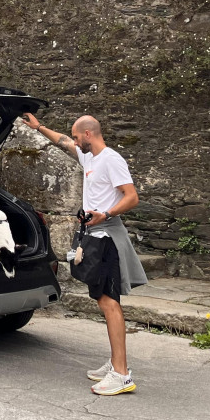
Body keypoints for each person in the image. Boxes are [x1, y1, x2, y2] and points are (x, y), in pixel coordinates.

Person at [22, 112, 146, 396]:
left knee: (109, 302)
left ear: (88, 134)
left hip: (108, 238)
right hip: (93, 237)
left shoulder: (111, 159)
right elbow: (64, 142)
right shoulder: (88, 156)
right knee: (102, 299)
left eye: (78, 137)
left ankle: (122, 374)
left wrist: (106, 213)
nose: (75, 142)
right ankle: (116, 363)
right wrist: (39, 127)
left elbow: (131, 196)